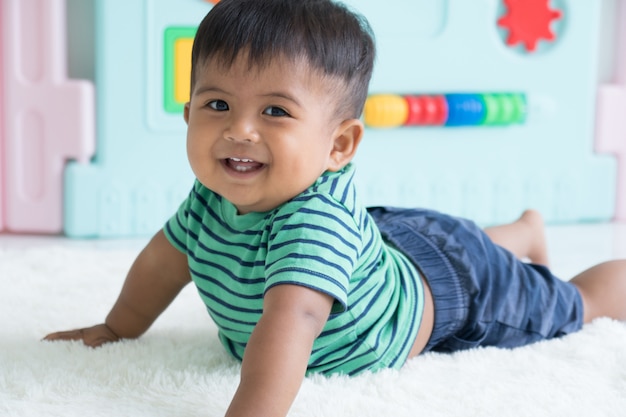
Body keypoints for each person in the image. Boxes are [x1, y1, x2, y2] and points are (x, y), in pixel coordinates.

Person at [44, 0, 626, 416]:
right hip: (389, 238)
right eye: (217, 103)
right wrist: (117, 328)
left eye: (275, 112)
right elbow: (162, 262)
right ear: (189, 114)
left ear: (338, 145)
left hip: (454, 290)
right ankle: (519, 231)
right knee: (453, 239)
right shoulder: (212, 195)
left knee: (574, 303)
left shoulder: (312, 226)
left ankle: (551, 257)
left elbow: (291, 322)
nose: (239, 130)